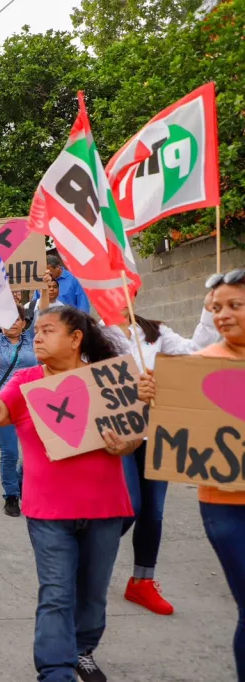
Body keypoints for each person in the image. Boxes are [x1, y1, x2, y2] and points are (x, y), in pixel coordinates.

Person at [0, 306, 141, 682]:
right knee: (56, 592)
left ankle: (83, 649)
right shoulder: (25, 380)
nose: (37, 336)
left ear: (76, 338)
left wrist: (125, 444)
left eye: (48, 330)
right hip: (48, 511)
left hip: (104, 507)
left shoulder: (107, 379)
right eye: (37, 330)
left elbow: (132, 440)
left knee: (93, 593)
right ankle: (56, 669)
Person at [102, 295, 218, 617]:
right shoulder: (92, 336)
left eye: (123, 288)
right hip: (118, 435)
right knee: (130, 507)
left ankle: (142, 581)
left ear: (133, 293)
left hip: (158, 432)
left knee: (153, 511)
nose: (117, 296)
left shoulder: (155, 332)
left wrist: (208, 311)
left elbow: (196, 353)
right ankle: (90, 558)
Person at [192, 268, 245, 679]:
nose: (221, 315)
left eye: (234, 306)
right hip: (224, 504)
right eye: (216, 308)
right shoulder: (197, 366)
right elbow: (174, 431)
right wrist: (153, 398)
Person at [0, 307, 38, 513]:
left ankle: (22, 483)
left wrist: (45, 290)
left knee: (34, 452)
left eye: (18, 319)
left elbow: (44, 310)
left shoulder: (33, 338)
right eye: (8, 319)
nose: (13, 323)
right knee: (10, 452)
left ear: (25, 323)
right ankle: (11, 495)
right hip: (3, 404)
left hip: (32, 403)